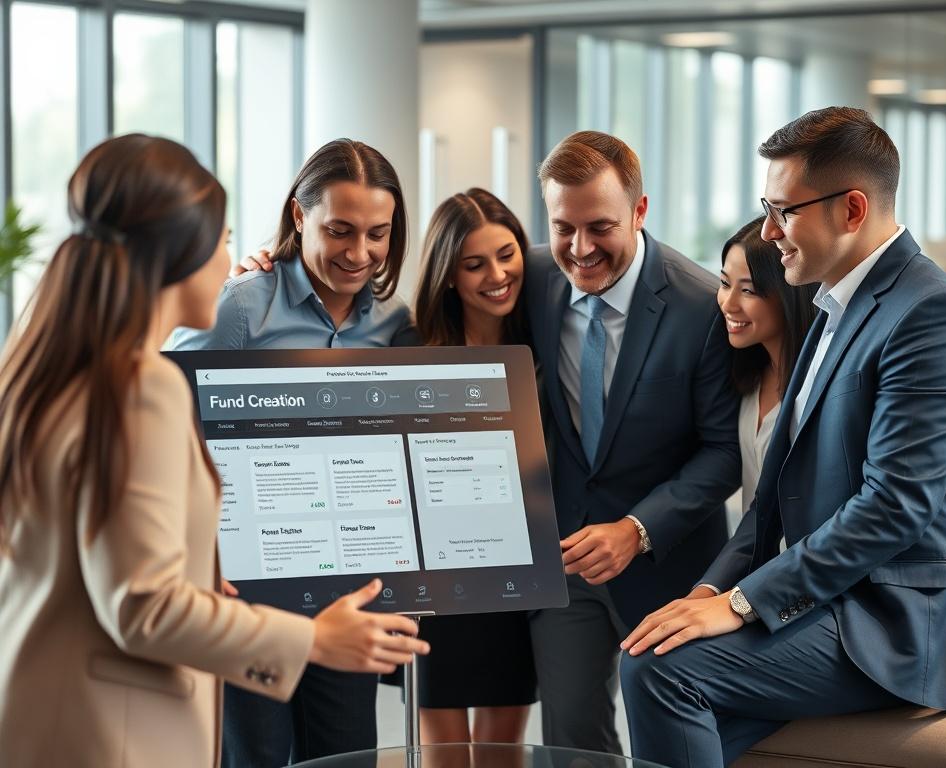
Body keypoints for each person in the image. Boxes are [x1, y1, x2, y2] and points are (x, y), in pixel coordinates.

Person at [0, 134, 428, 768]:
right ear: (178, 256)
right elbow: (143, 604)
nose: (238, 259)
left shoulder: (51, 366)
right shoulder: (143, 388)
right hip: (113, 725)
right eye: (222, 240)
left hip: (51, 707)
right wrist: (309, 637)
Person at [620, 106, 946, 768]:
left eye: (783, 212)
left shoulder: (934, 314)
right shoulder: (830, 306)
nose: (769, 233)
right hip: (826, 603)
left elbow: (895, 506)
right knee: (656, 657)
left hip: (896, 622)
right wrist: (710, 593)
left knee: (662, 673)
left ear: (851, 210)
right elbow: (773, 494)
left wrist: (744, 604)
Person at [171, 138, 416, 767]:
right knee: (253, 753)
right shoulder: (241, 307)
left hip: (350, 586)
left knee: (347, 754)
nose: (359, 253)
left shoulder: (394, 323)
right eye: (339, 230)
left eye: (377, 233)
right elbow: (167, 418)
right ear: (299, 215)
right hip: (250, 586)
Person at [524, 130, 741, 753]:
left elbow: (725, 450)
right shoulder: (534, 278)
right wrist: (273, 263)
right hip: (563, 560)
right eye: (563, 227)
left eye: (600, 226)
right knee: (569, 740)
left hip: (668, 563)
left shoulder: (702, 305)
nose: (580, 248)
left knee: (666, 741)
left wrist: (638, 529)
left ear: (640, 212)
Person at [404, 187, 537, 747]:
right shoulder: (411, 347)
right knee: (446, 752)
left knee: (503, 750)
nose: (497, 274)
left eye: (507, 254)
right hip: (437, 579)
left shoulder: (539, 335)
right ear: (448, 274)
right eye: (475, 264)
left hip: (517, 570)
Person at [717, 216, 816, 517]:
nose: (728, 304)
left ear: (788, 295)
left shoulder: (816, 386)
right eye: (724, 283)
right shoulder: (748, 374)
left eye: (748, 291)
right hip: (752, 559)